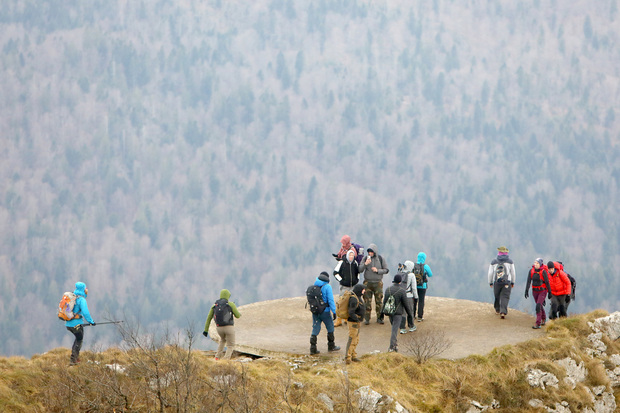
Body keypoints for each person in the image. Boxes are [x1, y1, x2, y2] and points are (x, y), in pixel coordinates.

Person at [203, 289, 241, 360]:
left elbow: (208, 318)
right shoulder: (230, 304)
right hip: (229, 327)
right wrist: (238, 313)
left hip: (219, 328)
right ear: (227, 296)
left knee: (222, 340)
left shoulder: (215, 305)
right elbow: (237, 315)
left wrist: (205, 330)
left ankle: (217, 357)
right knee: (230, 345)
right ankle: (225, 360)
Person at [310, 271, 341, 354]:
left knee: (315, 328)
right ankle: (331, 346)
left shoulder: (315, 285)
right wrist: (334, 312)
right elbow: (330, 300)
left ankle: (313, 348)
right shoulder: (327, 287)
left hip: (316, 311)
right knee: (330, 327)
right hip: (325, 312)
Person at [65, 281, 95, 365]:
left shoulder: (71, 298)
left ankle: (74, 358)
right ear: (83, 289)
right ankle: (73, 360)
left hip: (68, 324)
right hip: (76, 324)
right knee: (79, 339)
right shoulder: (81, 300)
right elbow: (85, 312)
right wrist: (91, 322)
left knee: (77, 339)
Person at [382, 274, 413, 352]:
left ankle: (395, 346)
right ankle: (392, 347)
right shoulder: (402, 291)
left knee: (394, 328)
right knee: (394, 330)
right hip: (398, 313)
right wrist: (410, 314)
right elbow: (406, 304)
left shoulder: (388, 289)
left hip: (389, 312)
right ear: (400, 281)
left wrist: (381, 312)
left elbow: (384, 302)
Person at [360, 243, 389, 325]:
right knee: (367, 301)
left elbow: (386, 270)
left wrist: (378, 270)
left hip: (378, 283)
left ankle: (380, 318)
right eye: (369, 252)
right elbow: (360, 269)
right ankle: (367, 318)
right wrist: (365, 264)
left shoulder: (380, 258)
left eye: (371, 252)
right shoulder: (365, 258)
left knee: (379, 301)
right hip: (367, 283)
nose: (370, 253)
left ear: (375, 252)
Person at [333, 249, 362, 327]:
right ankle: (339, 320)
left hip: (353, 286)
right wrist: (341, 281)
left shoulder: (355, 263)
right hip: (344, 286)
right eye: (350, 255)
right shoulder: (342, 262)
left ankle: (346, 318)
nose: (351, 257)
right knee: (341, 302)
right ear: (347, 255)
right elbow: (335, 273)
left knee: (351, 303)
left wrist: (357, 280)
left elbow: (357, 273)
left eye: (352, 255)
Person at [487, 246, 516, 319]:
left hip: (497, 282)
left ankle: (497, 309)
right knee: (505, 296)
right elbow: (513, 273)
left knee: (497, 295)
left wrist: (490, 282)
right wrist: (512, 282)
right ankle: (503, 311)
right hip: (507, 282)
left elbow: (490, 273)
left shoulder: (494, 262)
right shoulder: (510, 261)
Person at [524, 258, 551, 329]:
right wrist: (526, 290)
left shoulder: (543, 272)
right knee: (539, 305)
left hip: (542, 291)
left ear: (540, 264)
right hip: (534, 291)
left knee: (538, 306)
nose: (535, 264)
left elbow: (547, 282)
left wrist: (549, 292)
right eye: (535, 262)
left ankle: (538, 323)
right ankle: (544, 318)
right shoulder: (531, 271)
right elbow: (528, 281)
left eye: (537, 263)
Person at [345, 284, 365, 364]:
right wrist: (357, 319)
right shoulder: (354, 299)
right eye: (363, 289)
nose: (364, 291)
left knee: (356, 340)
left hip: (357, 322)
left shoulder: (358, 297)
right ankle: (348, 358)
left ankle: (353, 355)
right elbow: (351, 312)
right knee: (352, 339)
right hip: (353, 322)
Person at [413, 252, 433, 322]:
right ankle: (420, 316)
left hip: (414, 286)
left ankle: (412, 315)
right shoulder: (425, 266)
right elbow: (430, 274)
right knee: (421, 301)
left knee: (414, 300)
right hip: (422, 286)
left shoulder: (414, 265)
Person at [399, 261, 418, 333]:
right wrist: (416, 297)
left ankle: (402, 328)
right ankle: (411, 326)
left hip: (401, 295)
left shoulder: (400, 273)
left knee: (402, 312)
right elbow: (414, 288)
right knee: (410, 311)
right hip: (409, 296)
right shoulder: (411, 275)